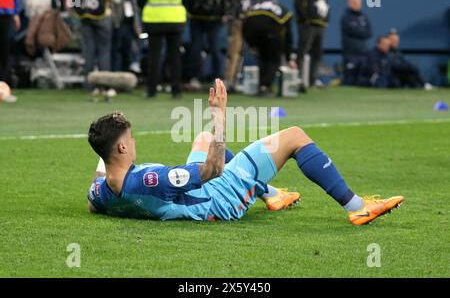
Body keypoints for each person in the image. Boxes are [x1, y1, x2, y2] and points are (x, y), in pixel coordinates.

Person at [86, 79, 404, 225]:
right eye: (131, 136)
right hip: (218, 197)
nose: (135, 140)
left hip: (186, 195)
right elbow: (212, 171)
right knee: (294, 137)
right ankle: (357, 206)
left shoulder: (103, 190)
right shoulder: (152, 179)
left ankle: (271, 193)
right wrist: (221, 116)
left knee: (201, 138)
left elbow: (93, 200)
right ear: (123, 146)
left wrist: (103, 155)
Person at [137, 0, 187, 98]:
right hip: (176, 20)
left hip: (154, 20)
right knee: (175, 57)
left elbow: (141, 0)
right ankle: (176, 91)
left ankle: (152, 90)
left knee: (154, 57)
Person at [68, 0, 121, 89]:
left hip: (85, 18)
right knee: (104, 52)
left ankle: (89, 86)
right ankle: (104, 85)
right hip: (103, 17)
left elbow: (70, 2)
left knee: (89, 52)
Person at [242, 0, 296, 96]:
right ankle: (264, 87)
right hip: (270, 32)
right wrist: (289, 58)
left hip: (252, 31)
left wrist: (251, 44)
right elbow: (288, 37)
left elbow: (245, 25)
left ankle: (261, 86)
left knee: (263, 58)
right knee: (274, 60)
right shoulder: (284, 11)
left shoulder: (257, 6)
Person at [185, 0, 226, 90]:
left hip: (214, 19)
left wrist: (226, 12)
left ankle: (217, 79)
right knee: (195, 49)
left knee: (215, 48)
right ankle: (195, 78)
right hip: (196, 18)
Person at [294, 0, 329, 90]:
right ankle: (297, 80)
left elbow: (324, 3)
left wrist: (325, 19)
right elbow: (297, 3)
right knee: (302, 52)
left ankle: (312, 80)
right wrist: (305, 19)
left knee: (317, 53)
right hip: (307, 25)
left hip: (320, 24)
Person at [341, 0, 372, 86]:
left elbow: (369, 32)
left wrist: (359, 31)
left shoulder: (363, 17)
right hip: (351, 52)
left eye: (358, 2)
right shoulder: (346, 17)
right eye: (354, 2)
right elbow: (352, 31)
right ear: (349, 3)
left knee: (361, 78)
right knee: (350, 78)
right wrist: (361, 31)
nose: (356, 4)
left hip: (363, 51)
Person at [110, 0, 141, 72]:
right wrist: (115, 22)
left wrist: (137, 25)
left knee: (128, 51)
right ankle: (115, 75)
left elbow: (134, 6)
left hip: (129, 23)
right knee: (116, 51)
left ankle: (125, 75)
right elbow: (112, 5)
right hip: (118, 23)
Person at [0, 0, 21, 83]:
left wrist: (16, 12)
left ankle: (3, 83)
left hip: (6, 12)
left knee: (5, 48)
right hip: (6, 11)